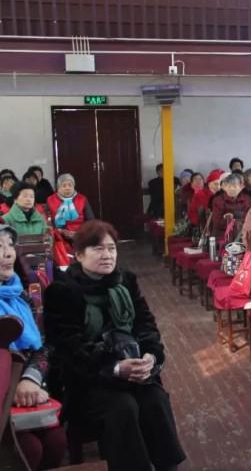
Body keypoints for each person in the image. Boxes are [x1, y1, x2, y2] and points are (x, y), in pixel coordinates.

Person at [44, 221, 185, 471]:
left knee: (154, 399)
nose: (107, 255)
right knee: (123, 407)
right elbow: (69, 347)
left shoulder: (125, 281)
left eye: (111, 248)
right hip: (87, 380)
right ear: (79, 254)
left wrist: (151, 357)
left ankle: (168, 467)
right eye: (98, 249)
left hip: (133, 372)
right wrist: (116, 368)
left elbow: (146, 325)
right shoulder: (62, 291)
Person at [0, 225, 67, 470]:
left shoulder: (20, 295)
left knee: (57, 442)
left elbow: (42, 347)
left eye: (9, 245)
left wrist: (31, 379)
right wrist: (14, 388)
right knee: (29, 450)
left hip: (28, 388)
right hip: (2, 395)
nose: (8, 253)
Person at [47, 174, 94, 241]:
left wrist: (80, 233)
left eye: (70, 185)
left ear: (74, 186)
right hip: (59, 236)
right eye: (64, 185)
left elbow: (90, 220)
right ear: (58, 187)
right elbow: (48, 221)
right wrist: (61, 231)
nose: (67, 188)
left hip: (81, 235)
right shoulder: (50, 200)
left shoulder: (82, 199)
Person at [211, 172, 251, 240]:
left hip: (242, 233)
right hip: (223, 234)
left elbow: (250, 217)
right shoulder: (218, 200)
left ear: (241, 187)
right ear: (224, 187)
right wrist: (229, 220)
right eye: (229, 186)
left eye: (235, 186)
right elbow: (217, 222)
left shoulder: (246, 199)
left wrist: (234, 215)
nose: (232, 189)